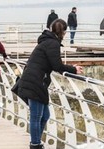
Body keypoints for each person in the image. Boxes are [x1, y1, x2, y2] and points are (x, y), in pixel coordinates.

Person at [18, 19, 83, 149]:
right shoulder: (52, 43)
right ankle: (35, 144)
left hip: (35, 80)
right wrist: (73, 69)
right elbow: (57, 65)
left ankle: (36, 141)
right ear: (63, 32)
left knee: (45, 115)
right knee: (36, 116)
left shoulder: (46, 41)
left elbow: (52, 63)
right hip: (35, 81)